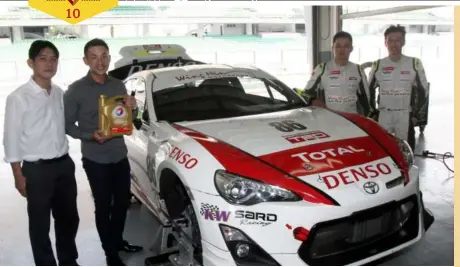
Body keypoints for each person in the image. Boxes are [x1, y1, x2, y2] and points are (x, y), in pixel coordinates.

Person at [63, 38, 142, 266]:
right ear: (86, 60)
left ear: (109, 57)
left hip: (119, 154)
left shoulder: (118, 85)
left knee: (122, 203)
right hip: (96, 159)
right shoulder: (76, 90)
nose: (100, 61)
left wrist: (133, 109)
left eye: (104, 56)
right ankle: (110, 254)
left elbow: (129, 122)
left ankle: (117, 241)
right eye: (94, 57)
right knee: (103, 206)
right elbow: (66, 125)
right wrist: (90, 136)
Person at [3, 40, 79, 266]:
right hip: (37, 171)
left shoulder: (58, 93)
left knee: (68, 218)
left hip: (64, 166)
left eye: (53, 59)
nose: (49, 64)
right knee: (39, 224)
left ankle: (68, 260)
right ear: (31, 62)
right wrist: (18, 174)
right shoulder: (18, 97)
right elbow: (11, 138)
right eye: (43, 59)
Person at [368, 25, 429, 150]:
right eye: (390, 40)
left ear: (403, 42)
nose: (394, 44)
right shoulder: (378, 64)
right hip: (384, 114)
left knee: (406, 152)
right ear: (385, 43)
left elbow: (423, 91)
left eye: (398, 40)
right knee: (381, 150)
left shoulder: (414, 63)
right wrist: (373, 113)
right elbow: (368, 90)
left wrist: (416, 115)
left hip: (405, 115)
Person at [296, 31, 375, 116]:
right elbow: (306, 93)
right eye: (338, 46)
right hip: (329, 119)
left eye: (346, 46)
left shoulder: (358, 70)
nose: (342, 50)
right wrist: (312, 100)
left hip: (352, 120)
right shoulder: (322, 69)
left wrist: (370, 116)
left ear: (351, 49)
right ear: (332, 48)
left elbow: (366, 99)